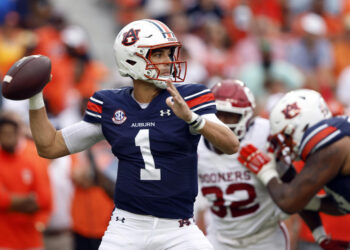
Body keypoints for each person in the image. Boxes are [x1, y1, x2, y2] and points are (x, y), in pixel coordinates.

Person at [27, 19, 239, 250]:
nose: (169, 61)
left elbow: (231, 145)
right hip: (126, 227)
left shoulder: (189, 97)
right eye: (159, 54)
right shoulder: (109, 104)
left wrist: (192, 119)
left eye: (169, 53)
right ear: (132, 58)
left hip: (179, 228)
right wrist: (35, 97)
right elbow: (50, 146)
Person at [238, 89, 350, 249]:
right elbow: (342, 204)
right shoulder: (337, 137)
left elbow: (289, 201)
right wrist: (320, 236)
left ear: (304, 127)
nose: (283, 146)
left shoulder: (331, 146)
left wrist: (265, 171)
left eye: (286, 137)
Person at [196, 79, 290, 250]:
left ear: (247, 116)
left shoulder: (264, 135)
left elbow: (292, 190)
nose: (223, 122)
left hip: (264, 237)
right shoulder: (196, 145)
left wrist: (270, 171)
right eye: (219, 113)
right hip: (219, 238)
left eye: (231, 115)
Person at [0, 112, 52, 249]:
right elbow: (1, 199)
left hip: (31, 240)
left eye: (10, 133)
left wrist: (40, 222)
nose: (7, 137)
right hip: (4, 240)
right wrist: (26, 201)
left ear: (18, 132)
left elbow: (44, 198)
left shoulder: (33, 155)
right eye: (4, 133)